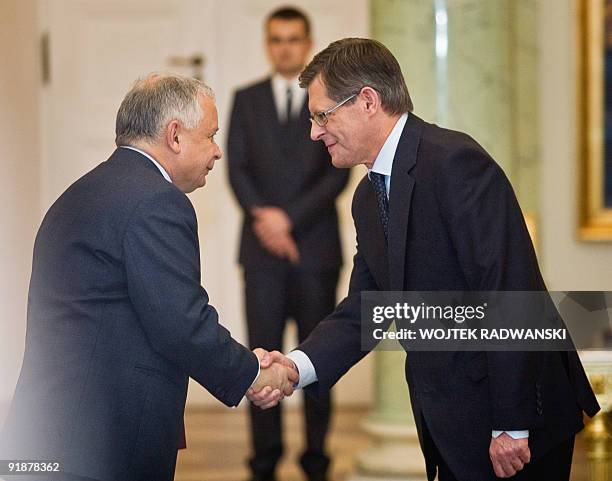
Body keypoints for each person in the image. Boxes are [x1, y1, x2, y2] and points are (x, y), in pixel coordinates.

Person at [248, 38, 601, 481]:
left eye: (322, 115)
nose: (314, 132)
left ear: (368, 102)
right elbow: (367, 307)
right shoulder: (365, 196)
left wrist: (511, 425)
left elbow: (508, 289)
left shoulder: (455, 163)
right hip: (452, 415)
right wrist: (295, 367)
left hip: (514, 414)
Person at [0, 74, 297, 481]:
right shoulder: (157, 201)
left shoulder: (80, 193)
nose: (217, 152)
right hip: (101, 444)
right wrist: (251, 372)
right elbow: (180, 323)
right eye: (210, 136)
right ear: (175, 135)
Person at [228, 7, 349, 481]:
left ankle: (316, 458)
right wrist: (268, 222)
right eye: (276, 39)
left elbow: (336, 175)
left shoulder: (329, 100)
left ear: (308, 43)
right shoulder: (246, 99)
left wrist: (287, 220)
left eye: (293, 39)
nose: (284, 47)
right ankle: (264, 459)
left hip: (315, 249)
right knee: (260, 358)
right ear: (267, 44)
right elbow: (235, 169)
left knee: (318, 355)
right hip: (260, 254)